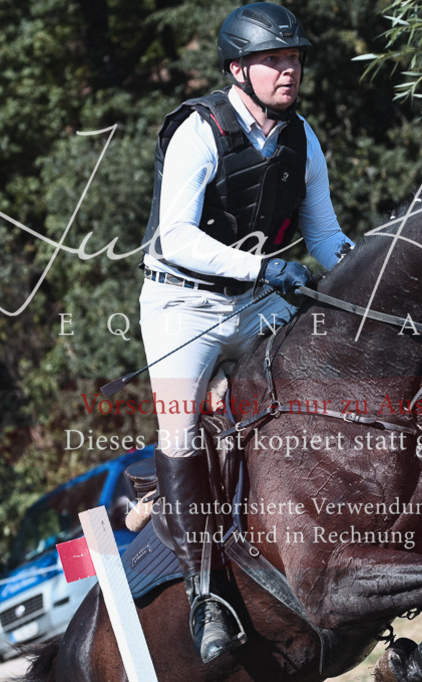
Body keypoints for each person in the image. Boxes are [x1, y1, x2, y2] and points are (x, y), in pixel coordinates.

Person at [136, 1, 354, 664]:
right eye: (274, 60)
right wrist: (263, 266)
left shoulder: (301, 136)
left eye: (294, 59)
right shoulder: (199, 130)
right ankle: (204, 596)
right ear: (238, 69)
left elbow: (324, 234)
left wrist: (366, 275)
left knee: (325, 383)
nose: (289, 70)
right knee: (179, 430)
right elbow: (175, 238)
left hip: (256, 302)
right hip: (183, 305)